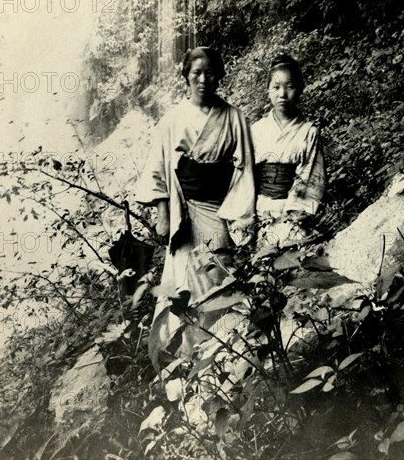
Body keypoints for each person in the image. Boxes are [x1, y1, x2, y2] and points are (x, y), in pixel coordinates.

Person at [135, 46, 255, 365]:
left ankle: (228, 355)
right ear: (186, 76)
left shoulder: (234, 118)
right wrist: (162, 215)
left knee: (222, 277)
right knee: (188, 286)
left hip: (222, 211)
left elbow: (244, 171)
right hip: (186, 214)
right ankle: (195, 358)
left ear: (221, 75)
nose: (203, 79)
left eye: (210, 72)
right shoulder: (172, 120)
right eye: (196, 73)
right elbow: (158, 169)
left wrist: (242, 220)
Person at [251, 54, 325, 248]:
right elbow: (245, 177)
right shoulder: (256, 130)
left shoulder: (308, 131)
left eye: (290, 86)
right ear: (268, 91)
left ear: (300, 90)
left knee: (292, 256)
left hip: (292, 211)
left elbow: (309, 178)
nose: (282, 94)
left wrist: (292, 217)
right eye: (276, 87)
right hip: (259, 209)